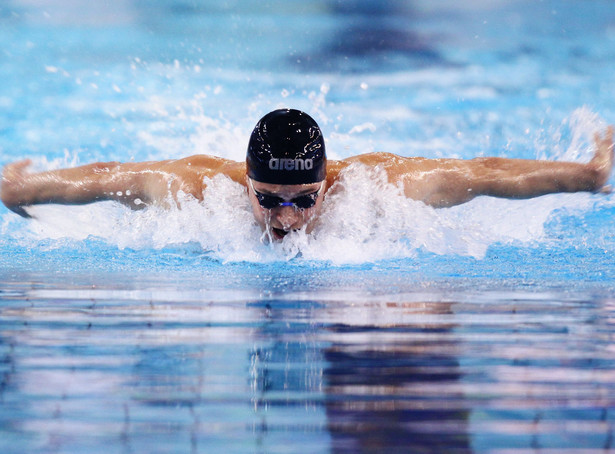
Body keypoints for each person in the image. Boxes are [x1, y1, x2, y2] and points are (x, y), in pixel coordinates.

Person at [1, 108, 613, 241]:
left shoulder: (380, 187)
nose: (287, 218)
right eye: (268, 198)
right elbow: (112, 177)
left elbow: (485, 173)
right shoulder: (197, 188)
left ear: (326, 183)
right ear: (245, 178)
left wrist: (589, 177)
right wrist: (22, 191)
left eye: (303, 199)